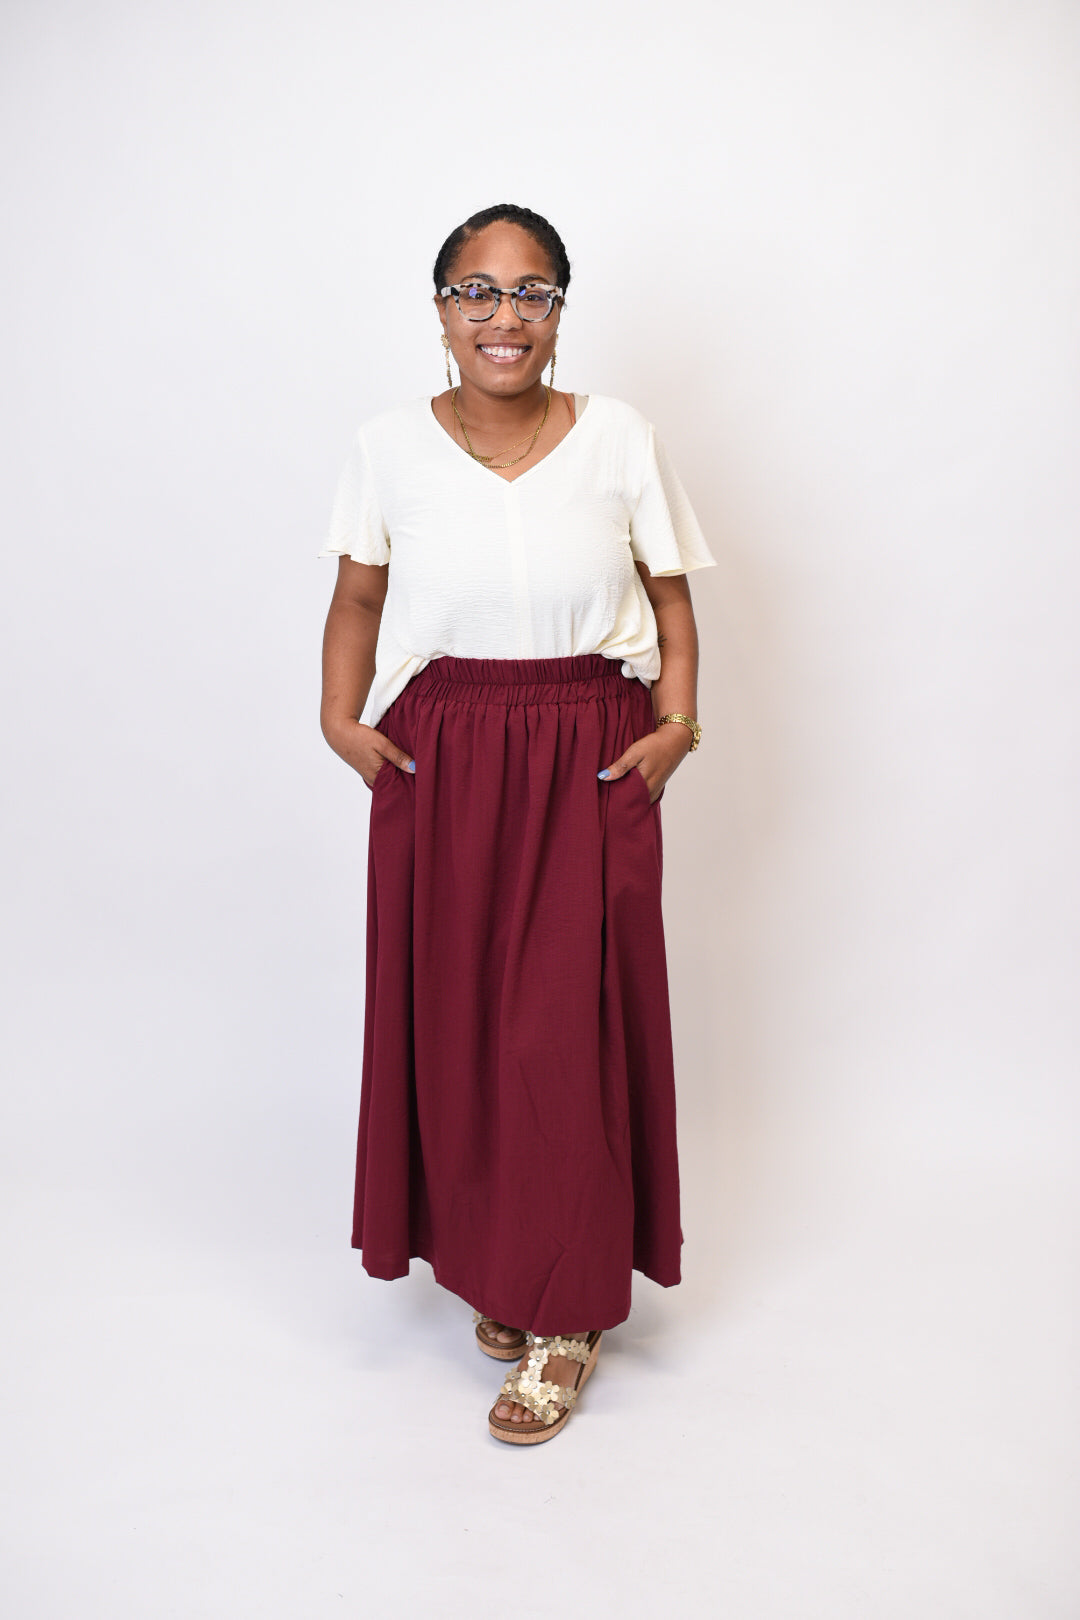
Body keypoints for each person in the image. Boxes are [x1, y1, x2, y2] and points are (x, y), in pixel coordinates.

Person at [318, 203, 715, 1445]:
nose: (505, 316)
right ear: (441, 309)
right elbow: (358, 597)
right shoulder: (387, 446)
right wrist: (338, 717)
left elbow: (670, 601)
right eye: (478, 291)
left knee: (564, 1033)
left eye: (532, 291)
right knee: (461, 1026)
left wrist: (677, 723)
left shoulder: (620, 438)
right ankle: (506, 1262)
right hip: (443, 749)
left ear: (559, 311)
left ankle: (569, 1311)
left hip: (588, 748)